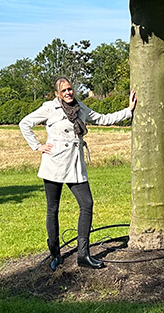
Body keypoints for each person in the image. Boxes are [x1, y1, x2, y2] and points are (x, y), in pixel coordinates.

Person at [19, 77, 137, 270]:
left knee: (87, 204)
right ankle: (55, 254)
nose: (68, 93)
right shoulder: (50, 108)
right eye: (63, 90)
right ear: (58, 93)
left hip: (74, 164)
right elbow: (25, 123)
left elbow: (103, 119)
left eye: (70, 89)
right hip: (54, 164)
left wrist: (128, 110)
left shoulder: (81, 108)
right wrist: (37, 146)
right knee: (53, 209)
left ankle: (83, 255)